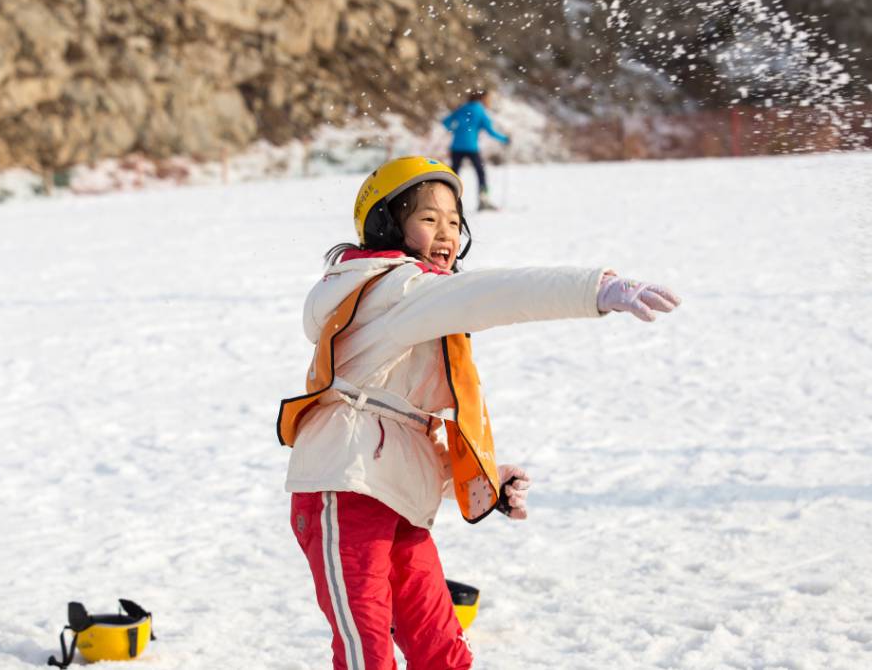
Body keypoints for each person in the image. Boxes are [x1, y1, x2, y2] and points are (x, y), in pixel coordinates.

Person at [279, 156, 681, 670]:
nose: (446, 232)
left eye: (454, 220)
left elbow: (399, 431)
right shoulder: (395, 289)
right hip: (343, 491)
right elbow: (489, 294)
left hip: (393, 497)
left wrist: (482, 478)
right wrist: (592, 289)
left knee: (442, 651)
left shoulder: (414, 311)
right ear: (387, 225)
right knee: (367, 654)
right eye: (428, 218)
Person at [442, 91, 510, 210]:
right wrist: (505, 139)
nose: (489, 101)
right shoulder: (480, 111)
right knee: (480, 173)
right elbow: (490, 131)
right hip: (471, 147)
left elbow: (445, 122)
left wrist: (455, 130)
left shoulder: (462, 108)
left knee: (453, 175)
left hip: (456, 146)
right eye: (488, 99)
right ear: (482, 99)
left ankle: (446, 201)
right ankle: (483, 201)